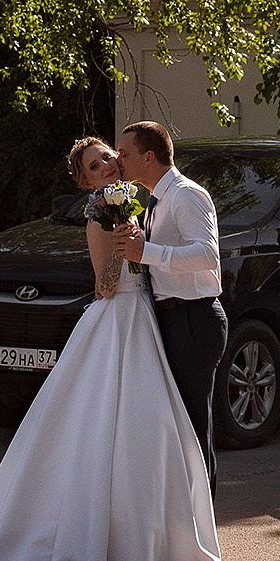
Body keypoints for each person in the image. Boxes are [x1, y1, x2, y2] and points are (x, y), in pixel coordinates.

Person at [0, 137, 218, 561]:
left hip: (146, 317)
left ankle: (154, 532)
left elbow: (157, 258)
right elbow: (105, 286)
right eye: (95, 166)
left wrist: (136, 241)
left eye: (109, 157)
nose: (108, 166)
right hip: (118, 319)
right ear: (86, 182)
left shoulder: (140, 204)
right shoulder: (99, 215)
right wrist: (123, 248)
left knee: (150, 427)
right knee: (104, 421)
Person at [113, 120, 229, 492]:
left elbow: (207, 254)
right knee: (173, 425)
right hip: (169, 318)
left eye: (124, 153)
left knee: (193, 423)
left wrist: (147, 252)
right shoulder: (153, 202)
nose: (118, 159)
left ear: (149, 157)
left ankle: (203, 514)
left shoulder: (186, 195)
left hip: (193, 317)